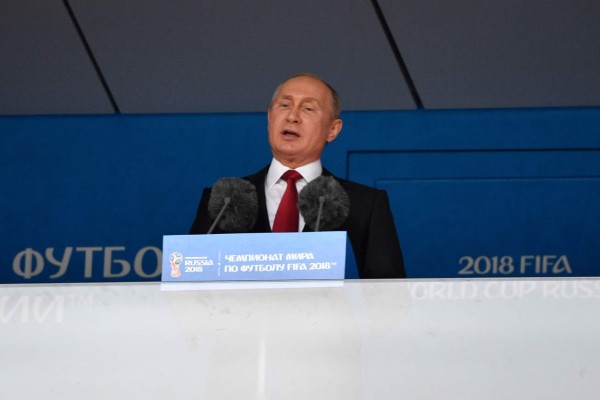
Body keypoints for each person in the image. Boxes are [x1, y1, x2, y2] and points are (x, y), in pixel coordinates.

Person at [190, 73, 405, 278]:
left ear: (333, 129)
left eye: (309, 108)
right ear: (269, 118)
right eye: (284, 105)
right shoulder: (225, 200)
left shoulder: (366, 205)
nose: (292, 116)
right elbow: (190, 280)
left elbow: (389, 294)